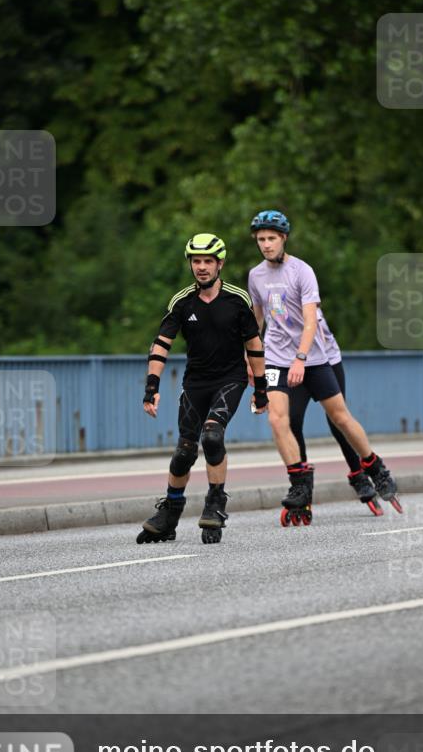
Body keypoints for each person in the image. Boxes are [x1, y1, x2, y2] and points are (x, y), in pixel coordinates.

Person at [247, 210, 400, 522]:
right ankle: (300, 486)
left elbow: (309, 321)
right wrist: (251, 360)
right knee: (281, 421)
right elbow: (257, 319)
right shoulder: (255, 275)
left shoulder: (302, 271)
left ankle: (372, 467)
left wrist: (301, 358)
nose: (266, 244)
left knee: (340, 419)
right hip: (277, 357)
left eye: (271, 238)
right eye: (261, 239)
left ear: (283, 238)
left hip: (316, 356)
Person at [139, 233, 268, 544]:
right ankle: (169, 512)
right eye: (196, 261)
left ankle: (215, 503)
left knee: (211, 436)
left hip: (230, 380)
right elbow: (160, 345)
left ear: (220, 264)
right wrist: (151, 388)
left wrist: (261, 388)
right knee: (184, 452)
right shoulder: (182, 302)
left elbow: (254, 344)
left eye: (208, 261)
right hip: (195, 383)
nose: (201, 267)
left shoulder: (237, 300)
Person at [289, 309, 384, 516]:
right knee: (292, 421)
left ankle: (358, 473)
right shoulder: (273, 295)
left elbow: (316, 335)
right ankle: (302, 486)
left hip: (325, 362)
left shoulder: (306, 296)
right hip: (293, 364)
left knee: (337, 421)